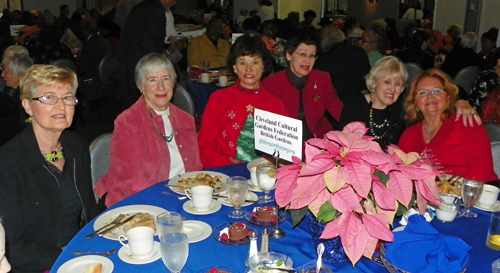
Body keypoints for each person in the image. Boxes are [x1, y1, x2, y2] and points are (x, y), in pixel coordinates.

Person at [0, 65, 98, 272]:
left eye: (68, 97)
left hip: (82, 251)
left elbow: (88, 208)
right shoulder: (9, 163)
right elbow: (13, 248)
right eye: (49, 98)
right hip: (41, 264)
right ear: (27, 106)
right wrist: (72, 258)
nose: (61, 106)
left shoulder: (74, 145)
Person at [95, 53, 202, 207]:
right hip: (138, 202)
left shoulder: (185, 119)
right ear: (140, 86)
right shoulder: (128, 122)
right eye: (152, 80)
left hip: (181, 199)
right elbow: (133, 183)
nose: (161, 87)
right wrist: (171, 203)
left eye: (166, 78)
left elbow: (195, 169)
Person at [197, 32, 288, 169]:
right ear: (234, 67)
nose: (249, 69)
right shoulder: (219, 99)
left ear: (263, 67)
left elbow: (285, 151)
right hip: (225, 173)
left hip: (264, 176)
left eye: (255, 62)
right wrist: (228, 166)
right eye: (242, 62)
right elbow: (205, 145)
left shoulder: (275, 104)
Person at [398, 69, 497, 183]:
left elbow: (481, 167)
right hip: (430, 197)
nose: (430, 96)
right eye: (422, 93)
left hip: (474, 192)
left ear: (448, 96)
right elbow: (401, 173)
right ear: (415, 102)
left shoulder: (464, 122)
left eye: (437, 91)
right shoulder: (409, 135)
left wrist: (454, 193)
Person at [263, 29, 343, 140]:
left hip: (320, 141)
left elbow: (338, 110)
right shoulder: (270, 84)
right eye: (303, 54)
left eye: (312, 56)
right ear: (289, 55)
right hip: (285, 143)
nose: (307, 61)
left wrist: (356, 130)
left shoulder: (322, 79)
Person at [114, 0, 173, 110]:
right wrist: (156, 67)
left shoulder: (141, 6)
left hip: (127, 64)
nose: (174, 2)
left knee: (131, 108)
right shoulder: (156, 10)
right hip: (139, 66)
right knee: (143, 109)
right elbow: (148, 42)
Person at [338, 56, 407, 149]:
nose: (392, 89)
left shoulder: (402, 110)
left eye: (397, 84)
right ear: (374, 83)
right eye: (387, 82)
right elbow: (340, 140)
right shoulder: (355, 104)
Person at [315, 25, 370, 119]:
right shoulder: (359, 52)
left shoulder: (322, 61)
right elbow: (367, 78)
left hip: (335, 108)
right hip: (361, 104)